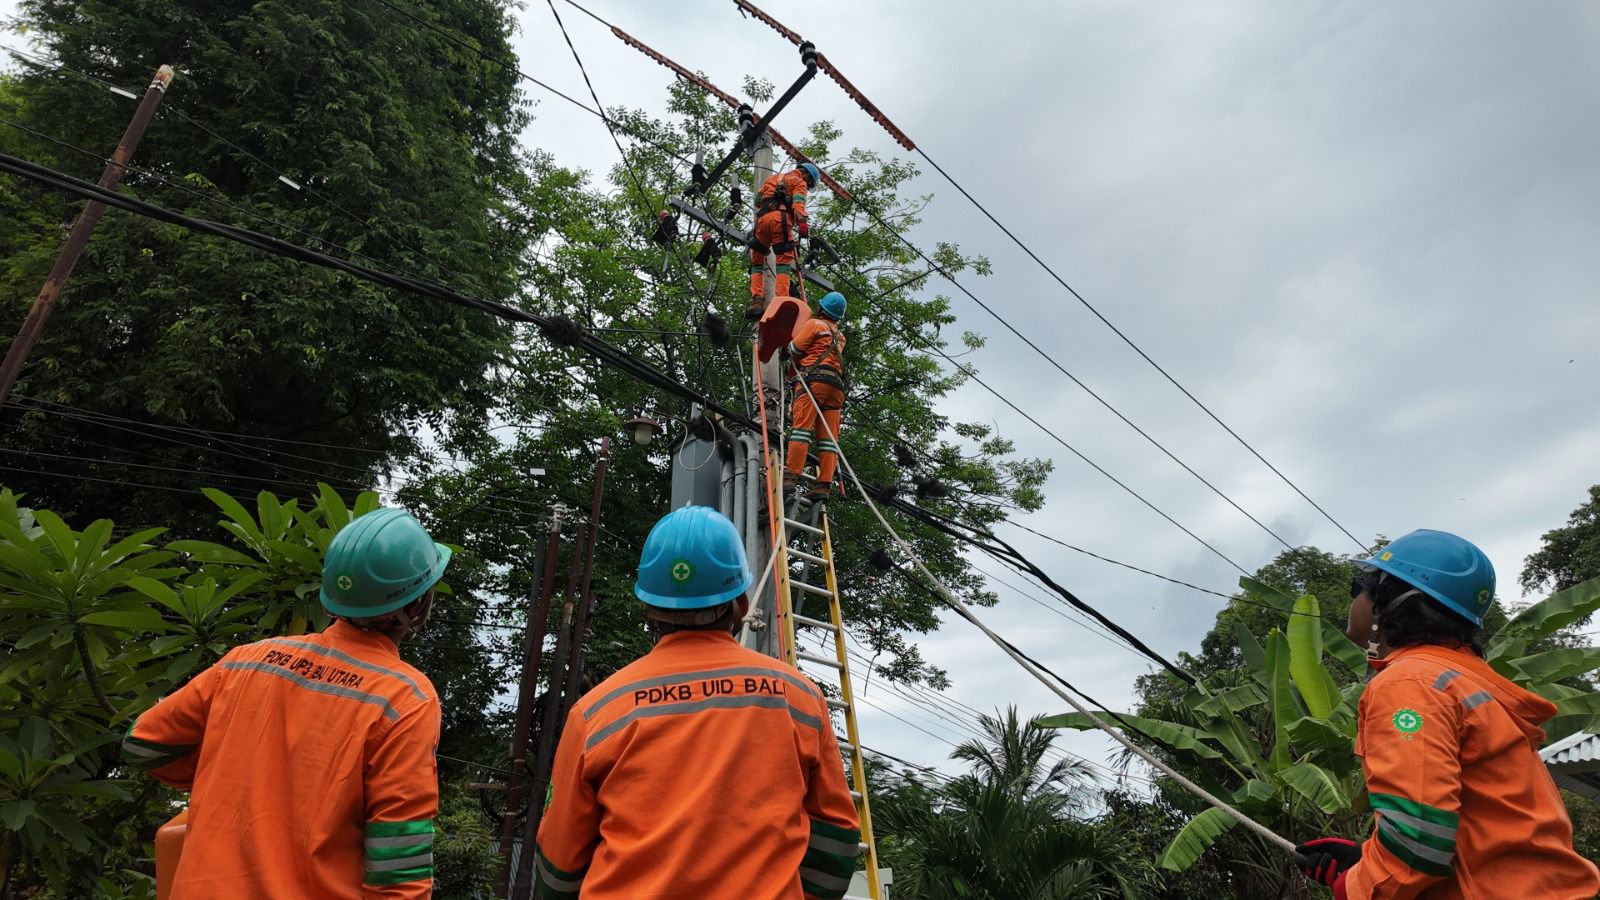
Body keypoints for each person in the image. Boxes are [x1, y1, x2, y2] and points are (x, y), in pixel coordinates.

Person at [534, 505, 861, 900]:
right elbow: (837, 840)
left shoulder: (599, 711)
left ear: (648, 606)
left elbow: (558, 865)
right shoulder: (798, 699)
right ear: (741, 601)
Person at [122, 507, 451, 898]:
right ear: (416, 606)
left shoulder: (248, 659)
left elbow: (142, 743)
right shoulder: (404, 699)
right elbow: (398, 871)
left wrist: (241, 776)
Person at [1295, 529, 1600, 899]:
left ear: (1390, 602)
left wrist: (1359, 886)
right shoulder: (1465, 683)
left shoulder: (1411, 683)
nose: (1354, 598)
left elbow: (1420, 835)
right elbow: (1477, 825)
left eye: (1359, 586)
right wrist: (1367, 858)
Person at [783, 290, 848, 504]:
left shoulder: (814, 325)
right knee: (829, 441)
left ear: (822, 309)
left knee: (801, 431)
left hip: (814, 383)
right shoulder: (840, 336)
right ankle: (823, 485)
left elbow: (794, 348)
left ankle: (791, 477)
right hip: (835, 389)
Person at [748, 161, 820, 319]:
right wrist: (802, 223)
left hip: (762, 222)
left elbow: (757, 201)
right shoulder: (798, 182)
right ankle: (781, 301)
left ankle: (756, 301)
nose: (807, 187)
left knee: (757, 262)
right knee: (783, 264)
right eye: (809, 184)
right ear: (806, 176)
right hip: (780, 221)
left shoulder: (773, 178)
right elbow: (798, 205)